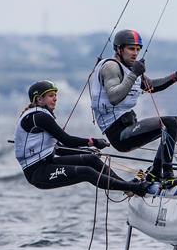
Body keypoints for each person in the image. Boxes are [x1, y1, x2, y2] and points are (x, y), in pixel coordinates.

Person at [89, 29, 177, 187]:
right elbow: (114, 98)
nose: (135, 53)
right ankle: (167, 174)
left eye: (138, 49)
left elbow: (150, 86)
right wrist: (134, 74)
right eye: (131, 49)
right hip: (119, 134)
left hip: (129, 127)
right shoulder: (111, 67)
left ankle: (154, 173)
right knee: (170, 123)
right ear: (119, 49)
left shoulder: (130, 68)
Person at [15, 80, 150, 196]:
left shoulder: (41, 115)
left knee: (91, 158)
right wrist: (93, 142)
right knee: (86, 172)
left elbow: (58, 149)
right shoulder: (38, 117)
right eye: (51, 96)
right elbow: (67, 140)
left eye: (55, 95)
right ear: (39, 99)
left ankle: (127, 187)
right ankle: (134, 188)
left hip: (47, 163)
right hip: (37, 173)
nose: (55, 98)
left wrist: (84, 150)